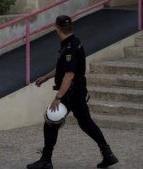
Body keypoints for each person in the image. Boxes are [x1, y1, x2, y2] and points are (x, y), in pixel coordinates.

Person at [27, 15, 118, 169]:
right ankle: (108, 154)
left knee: (51, 121)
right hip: (77, 91)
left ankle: (46, 160)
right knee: (86, 123)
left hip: (71, 92)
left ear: (57, 28)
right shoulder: (74, 43)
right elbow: (63, 68)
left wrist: (58, 97)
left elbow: (69, 75)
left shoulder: (70, 47)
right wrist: (46, 77)